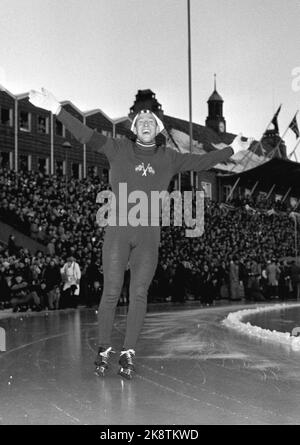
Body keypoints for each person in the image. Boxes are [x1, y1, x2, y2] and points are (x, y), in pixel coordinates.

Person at [29, 87, 253, 379]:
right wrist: (57, 109)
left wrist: (232, 149)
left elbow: (202, 163)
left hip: (149, 235)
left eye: (151, 122)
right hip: (119, 231)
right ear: (135, 128)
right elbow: (85, 135)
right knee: (110, 293)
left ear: (157, 129)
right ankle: (104, 348)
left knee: (138, 293)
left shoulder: (168, 157)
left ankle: (128, 352)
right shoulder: (117, 148)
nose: (146, 124)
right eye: (141, 122)